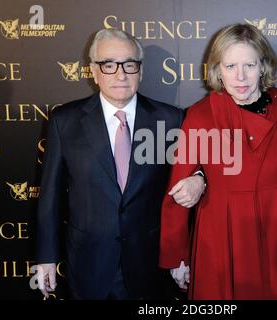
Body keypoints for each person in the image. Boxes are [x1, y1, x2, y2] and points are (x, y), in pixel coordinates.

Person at [159, 23, 277, 299]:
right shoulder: (200, 116)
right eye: (230, 67)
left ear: (263, 66)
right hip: (220, 236)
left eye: (249, 65)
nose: (240, 77)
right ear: (217, 69)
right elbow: (178, 190)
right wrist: (176, 254)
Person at [35, 28, 205, 300]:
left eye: (129, 64)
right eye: (109, 64)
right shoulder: (64, 121)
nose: (120, 74)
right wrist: (46, 257)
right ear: (93, 70)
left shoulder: (171, 119)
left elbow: (194, 171)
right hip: (88, 262)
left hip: (150, 264)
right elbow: (50, 196)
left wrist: (199, 179)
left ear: (140, 69)